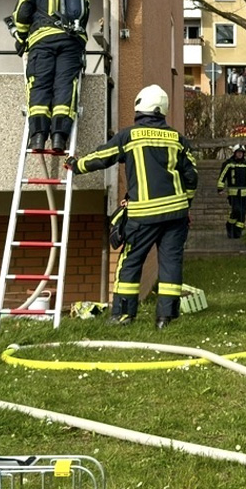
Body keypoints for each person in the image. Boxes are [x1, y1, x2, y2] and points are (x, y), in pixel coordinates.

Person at [67, 85, 198, 328]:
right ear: (162, 109)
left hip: (143, 216)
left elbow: (102, 157)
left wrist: (76, 165)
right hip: (176, 215)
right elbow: (192, 177)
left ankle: (123, 316)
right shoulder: (178, 139)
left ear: (139, 107)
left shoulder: (129, 136)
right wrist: (185, 206)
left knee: (130, 263)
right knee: (171, 264)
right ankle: (165, 319)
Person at [10, 0, 89, 154]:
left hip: (42, 43)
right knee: (65, 85)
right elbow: (84, 16)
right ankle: (59, 137)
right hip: (71, 43)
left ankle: (38, 137)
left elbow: (21, 14)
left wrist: (21, 38)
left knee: (40, 85)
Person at [216, 145, 246, 239]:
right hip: (233, 193)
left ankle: (237, 232)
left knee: (242, 213)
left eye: (241, 153)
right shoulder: (228, 164)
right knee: (236, 210)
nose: (240, 154)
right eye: (238, 152)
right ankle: (230, 226)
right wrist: (220, 188)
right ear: (235, 153)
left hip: (245, 193)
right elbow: (222, 176)